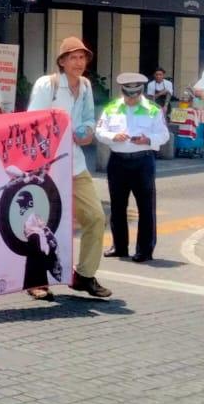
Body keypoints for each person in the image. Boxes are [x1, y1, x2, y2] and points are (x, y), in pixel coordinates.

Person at [26, 37, 112, 299]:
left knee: (95, 217)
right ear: (61, 62)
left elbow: (87, 121)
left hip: (75, 163)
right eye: (73, 57)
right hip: (47, 166)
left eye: (82, 57)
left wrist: (86, 133)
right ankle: (37, 280)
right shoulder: (47, 85)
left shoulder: (85, 86)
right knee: (43, 222)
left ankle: (84, 275)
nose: (79, 62)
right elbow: (33, 121)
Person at [96, 73, 168, 263]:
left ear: (141, 91)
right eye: (129, 95)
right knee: (118, 206)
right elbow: (99, 131)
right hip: (118, 161)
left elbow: (164, 135)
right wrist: (113, 137)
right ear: (123, 91)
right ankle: (119, 247)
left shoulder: (153, 109)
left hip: (143, 161)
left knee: (146, 207)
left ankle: (144, 250)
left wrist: (148, 139)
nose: (132, 99)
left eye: (135, 95)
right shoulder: (111, 108)